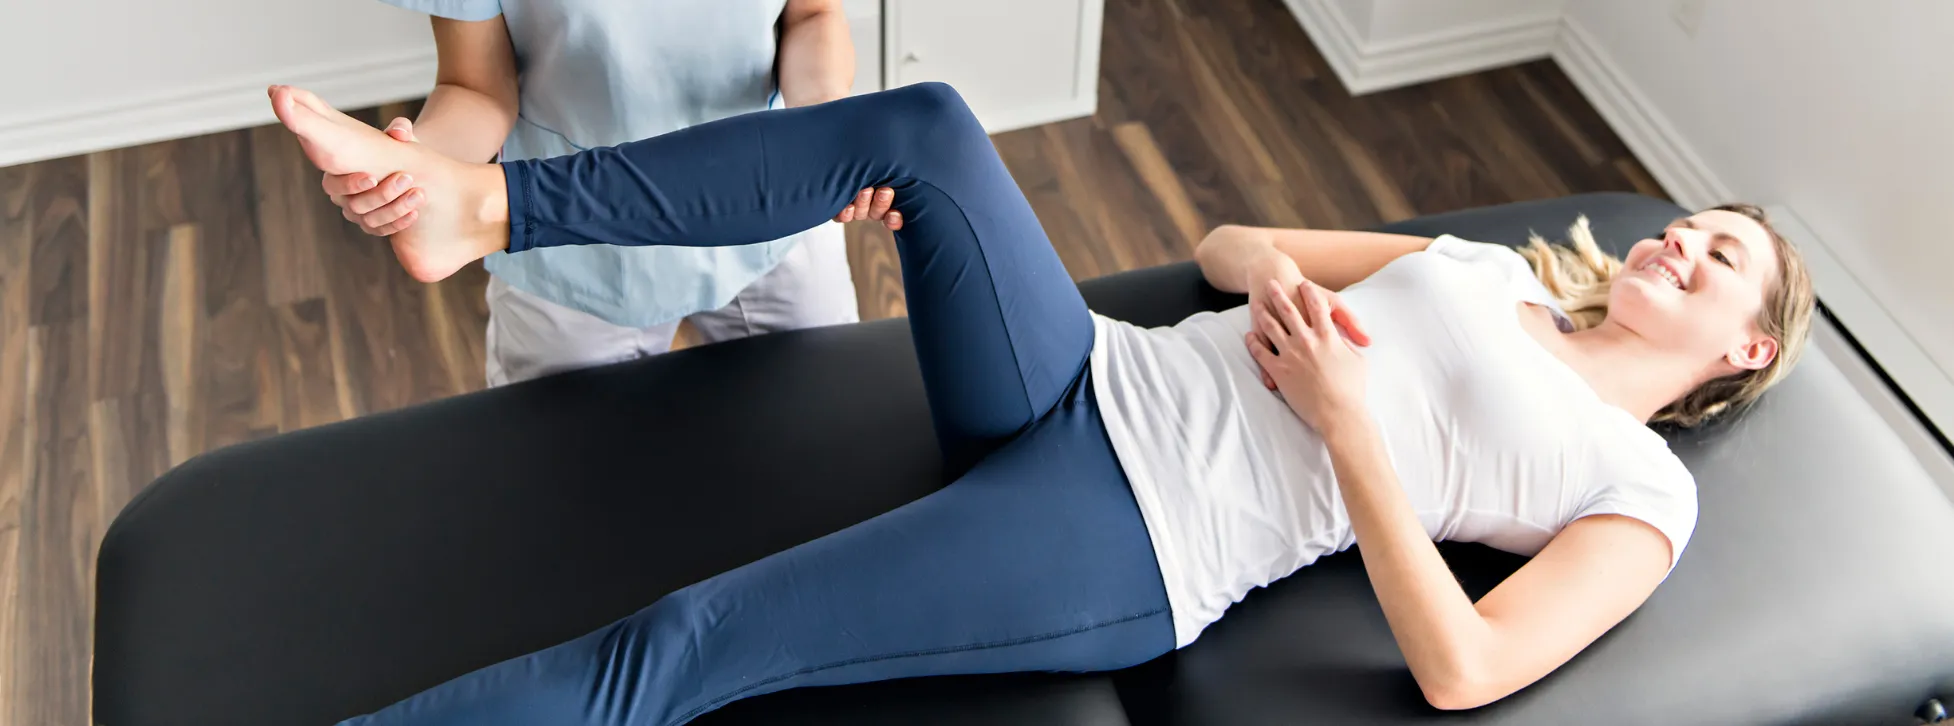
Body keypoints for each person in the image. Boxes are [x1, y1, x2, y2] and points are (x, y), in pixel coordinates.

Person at [265, 80, 1816, 725]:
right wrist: (1287, 285)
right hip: (1089, 367)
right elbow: (1226, 243)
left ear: (1746, 347)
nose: (1676, 241)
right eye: (1684, 224)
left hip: (1136, 532)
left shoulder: (1638, 487)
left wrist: (1350, 419)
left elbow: (1466, 668)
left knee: (685, 642)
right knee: (926, 127)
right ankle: (483, 205)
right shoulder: (1481, 271)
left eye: (1719, 255)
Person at [319, 0, 899, 386]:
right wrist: (415, 169)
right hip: (573, 252)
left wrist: (828, 128)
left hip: (770, 206)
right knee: (565, 490)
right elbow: (475, 85)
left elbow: (813, 13)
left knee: (826, 432)